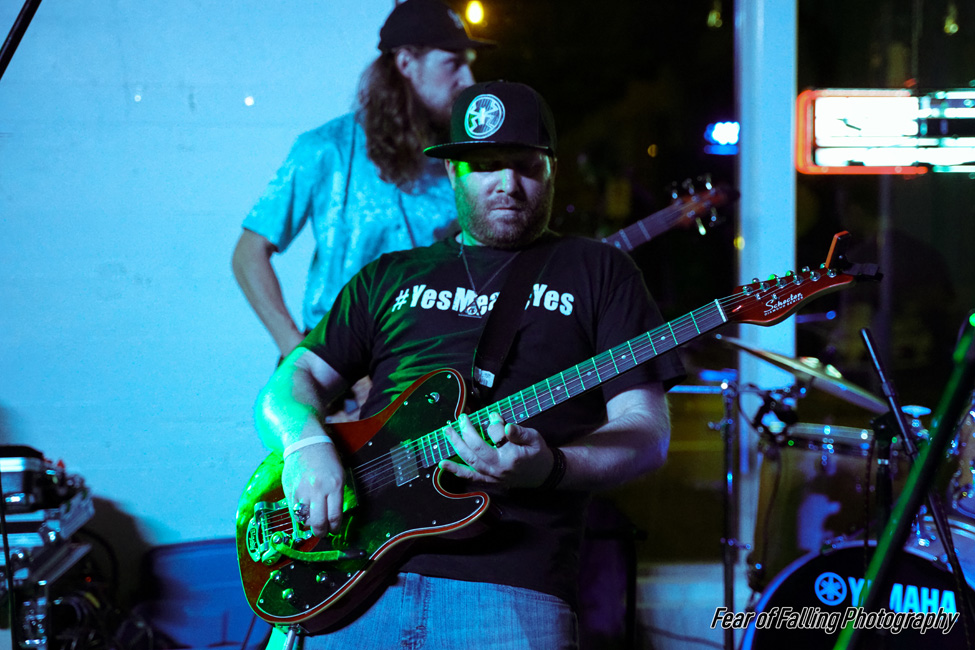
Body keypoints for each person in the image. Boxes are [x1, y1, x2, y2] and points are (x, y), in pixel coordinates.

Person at [252, 81, 685, 649]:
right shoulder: (389, 275)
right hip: (350, 582)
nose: (508, 183)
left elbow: (647, 433)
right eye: (486, 165)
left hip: (511, 594)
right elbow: (291, 382)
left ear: (551, 170)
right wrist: (305, 445)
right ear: (453, 173)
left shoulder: (599, 272)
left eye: (526, 164)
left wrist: (551, 466)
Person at [232, 0, 493, 361]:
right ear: (406, 63)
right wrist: (298, 352)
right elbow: (248, 254)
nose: (468, 81)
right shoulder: (326, 148)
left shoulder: (457, 162)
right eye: (453, 63)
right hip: (336, 369)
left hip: (420, 368)